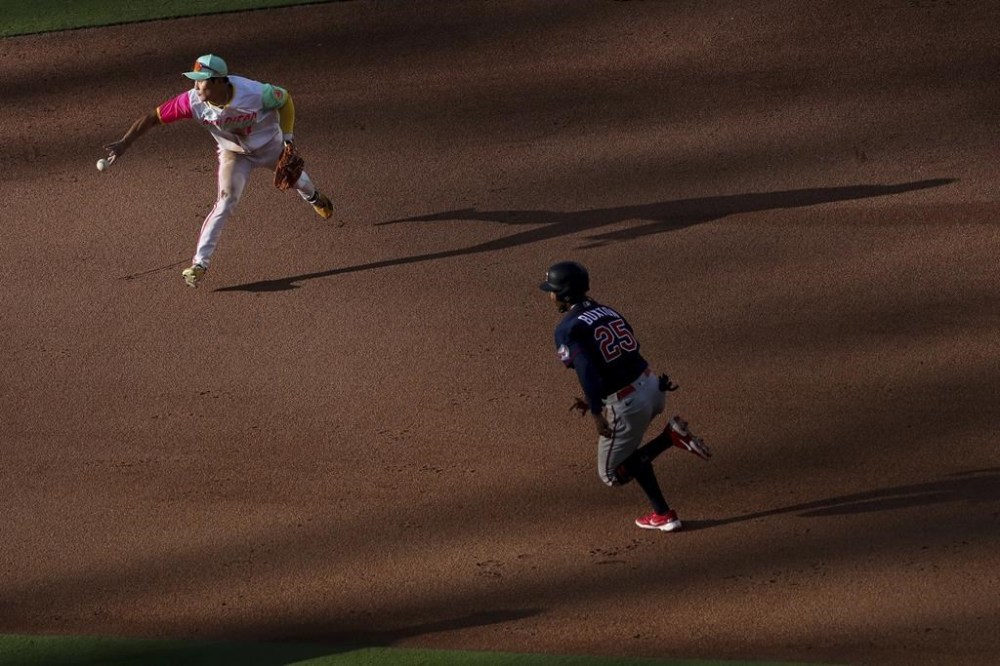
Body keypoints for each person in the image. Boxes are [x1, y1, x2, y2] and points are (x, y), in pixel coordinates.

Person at [104, 54, 335, 288]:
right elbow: (152, 117)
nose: (196, 86)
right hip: (233, 155)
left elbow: (285, 100)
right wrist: (125, 143)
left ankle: (315, 198)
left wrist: (287, 138)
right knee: (224, 202)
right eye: (194, 80)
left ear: (218, 81)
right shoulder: (191, 101)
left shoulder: (254, 93)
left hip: (269, 147)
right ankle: (199, 265)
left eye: (201, 80)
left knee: (299, 182)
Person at [540, 261, 712, 531]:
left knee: (611, 474)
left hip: (628, 403)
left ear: (563, 293)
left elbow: (586, 369)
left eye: (551, 290)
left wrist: (596, 410)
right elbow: (626, 350)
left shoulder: (567, 328)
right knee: (631, 454)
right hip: (652, 386)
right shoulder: (607, 311)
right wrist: (594, 397)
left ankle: (671, 437)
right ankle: (664, 515)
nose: (549, 295)